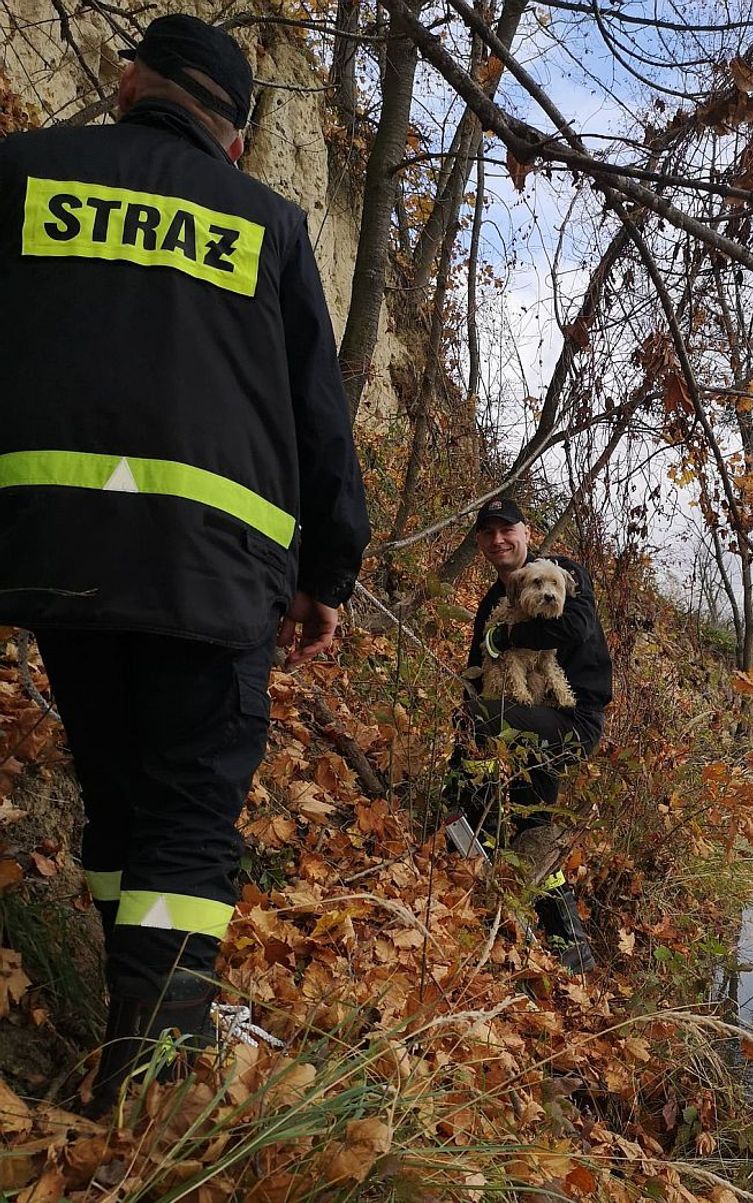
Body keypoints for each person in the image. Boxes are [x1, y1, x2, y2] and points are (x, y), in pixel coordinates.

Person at [0, 14, 370, 1109]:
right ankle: (146, 1091)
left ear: (128, 84)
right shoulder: (265, 221)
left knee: (117, 793)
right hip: (211, 579)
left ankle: (123, 1025)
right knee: (190, 817)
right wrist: (330, 577)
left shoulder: (21, 176)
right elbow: (319, 419)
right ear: (240, 140)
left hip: (59, 563)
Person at [454, 497, 612, 973]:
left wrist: (512, 640)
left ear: (525, 533)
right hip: (525, 713)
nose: (499, 540)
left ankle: (473, 832)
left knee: (488, 750)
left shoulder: (563, 572)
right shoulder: (493, 601)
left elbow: (577, 625)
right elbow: (482, 666)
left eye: (508, 530)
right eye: (488, 533)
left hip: (572, 717)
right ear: (480, 543)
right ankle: (562, 945)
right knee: (528, 816)